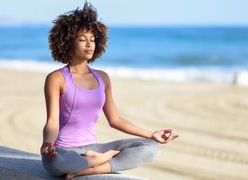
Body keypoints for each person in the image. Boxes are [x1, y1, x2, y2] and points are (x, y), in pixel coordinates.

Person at [40, 2, 179, 179]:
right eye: (83, 39)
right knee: (55, 162)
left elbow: (115, 119)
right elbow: (52, 121)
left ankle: (94, 167)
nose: (89, 44)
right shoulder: (57, 78)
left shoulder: (102, 78)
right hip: (65, 151)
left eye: (93, 39)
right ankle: (99, 160)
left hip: (93, 148)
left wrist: (152, 134)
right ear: (67, 43)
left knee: (151, 148)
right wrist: (47, 144)